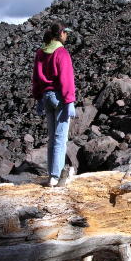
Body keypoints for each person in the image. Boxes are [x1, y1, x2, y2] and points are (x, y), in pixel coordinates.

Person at [32, 22, 76, 187]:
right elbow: (66, 79)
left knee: (52, 138)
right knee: (60, 138)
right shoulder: (61, 53)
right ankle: (55, 177)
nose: (67, 36)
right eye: (66, 33)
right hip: (59, 98)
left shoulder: (40, 53)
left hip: (46, 97)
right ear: (61, 33)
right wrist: (69, 101)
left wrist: (38, 98)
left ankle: (52, 174)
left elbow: (36, 78)